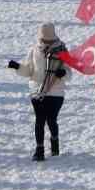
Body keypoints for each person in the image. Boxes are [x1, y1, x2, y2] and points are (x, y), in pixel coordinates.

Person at [9, 22, 70, 160]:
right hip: (37, 91)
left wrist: (63, 73)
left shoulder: (62, 49)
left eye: (49, 40)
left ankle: (54, 143)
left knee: (51, 120)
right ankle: (39, 150)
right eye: (44, 39)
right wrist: (17, 66)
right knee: (40, 120)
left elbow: (69, 72)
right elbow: (29, 71)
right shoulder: (35, 49)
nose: (46, 42)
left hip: (55, 92)